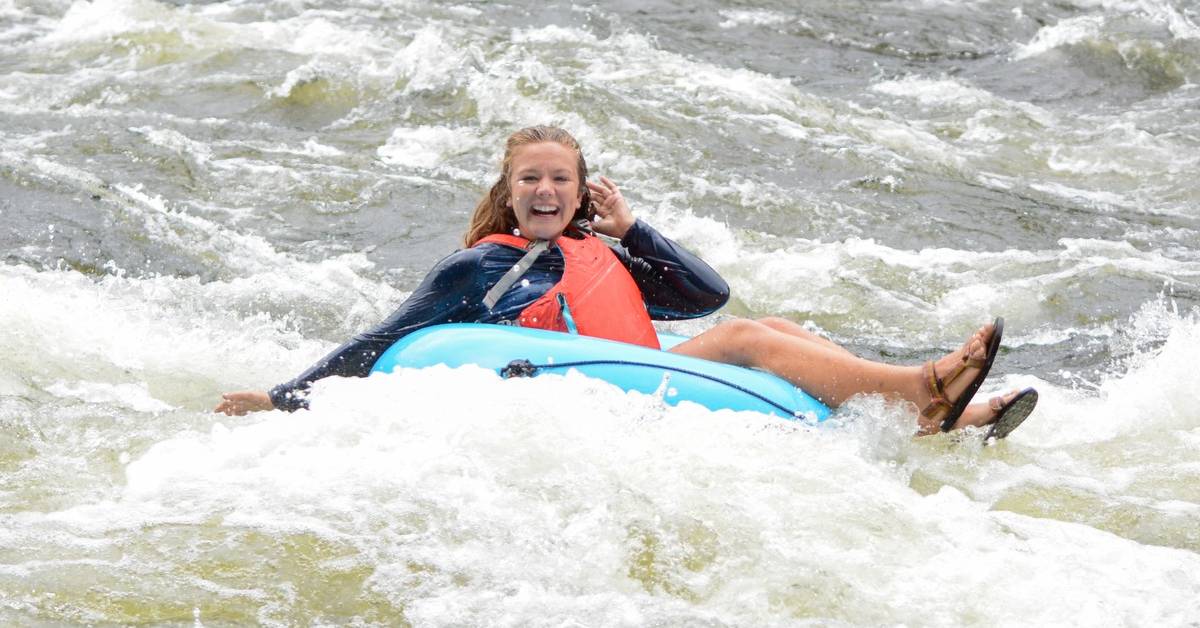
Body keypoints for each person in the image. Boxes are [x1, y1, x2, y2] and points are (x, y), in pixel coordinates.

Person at [217, 125, 1036, 438]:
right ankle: (923, 387)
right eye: (530, 180)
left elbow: (701, 296)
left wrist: (632, 229)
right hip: (593, 393)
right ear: (509, 192)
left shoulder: (596, 251)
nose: (544, 193)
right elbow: (384, 339)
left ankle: (945, 419)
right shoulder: (482, 267)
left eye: (560, 182)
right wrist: (286, 397)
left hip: (647, 371)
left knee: (770, 320)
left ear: (581, 193)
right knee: (752, 340)